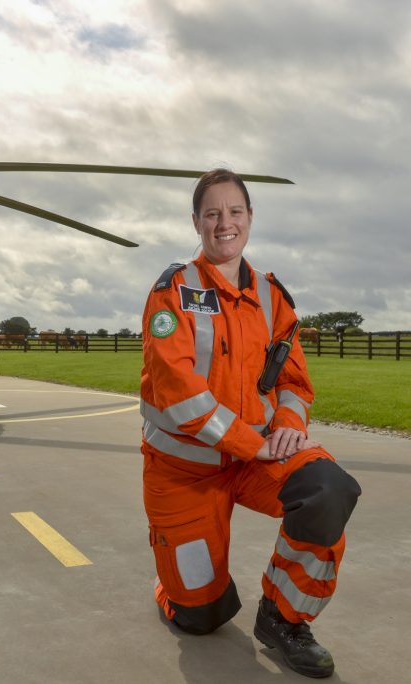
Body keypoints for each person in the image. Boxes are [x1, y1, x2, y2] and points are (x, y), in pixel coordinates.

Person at [140, 168, 362, 678]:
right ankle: (176, 585)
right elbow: (175, 391)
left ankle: (283, 620)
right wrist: (249, 442)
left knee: (328, 489)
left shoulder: (271, 296)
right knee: (201, 618)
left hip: (256, 457)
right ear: (196, 221)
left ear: (250, 218)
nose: (225, 223)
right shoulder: (171, 293)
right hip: (184, 473)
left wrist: (286, 424)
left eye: (234, 212)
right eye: (212, 213)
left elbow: (293, 379)